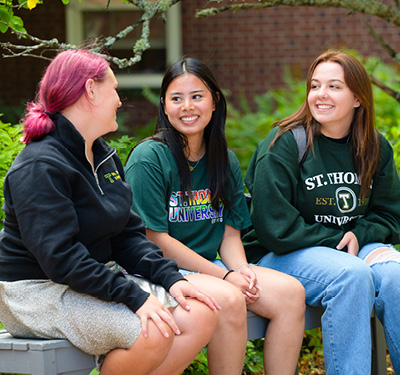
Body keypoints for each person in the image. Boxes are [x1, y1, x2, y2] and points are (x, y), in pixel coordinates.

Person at [0, 49, 220, 375]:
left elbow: (127, 236)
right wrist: (134, 296)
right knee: (153, 330)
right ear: (90, 90)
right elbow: (60, 257)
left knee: (199, 313)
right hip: (35, 292)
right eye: (114, 89)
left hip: (85, 280)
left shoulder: (102, 156)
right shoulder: (40, 165)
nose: (119, 99)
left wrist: (170, 279)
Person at [125, 57, 306, 375]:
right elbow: (154, 238)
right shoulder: (149, 158)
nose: (187, 107)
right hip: (162, 271)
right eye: (176, 98)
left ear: (214, 101)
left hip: (212, 268)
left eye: (197, 96)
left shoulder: (225, 160)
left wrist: (242, 270)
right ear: (164, 106)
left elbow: (229, 233)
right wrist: (224, 277)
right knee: (230, 298)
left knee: (291, 294)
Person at [243, 49, 400, 374]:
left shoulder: (374, 147)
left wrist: (360, 234)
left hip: (349, 247)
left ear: (358, 98)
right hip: (282, 253)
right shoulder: (284, 144)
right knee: (351, 276)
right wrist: (341, 239)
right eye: (315, 86)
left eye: (334, 87)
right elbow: (275, 228)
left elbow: (390, 215)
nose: (321, 95)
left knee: (397, 278)